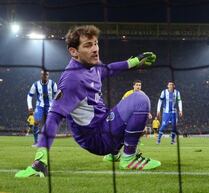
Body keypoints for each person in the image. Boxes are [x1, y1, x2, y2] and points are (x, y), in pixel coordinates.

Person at [15, 25, 160, 178]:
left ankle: (115, 152)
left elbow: (108, 69)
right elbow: (54, 117)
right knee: (140, 99)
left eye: (96, 43)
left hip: (103, 124)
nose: (95, 49)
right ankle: (129, 157)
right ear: (74, 52)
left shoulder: (93, 63)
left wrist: (135, 61)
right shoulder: (72, 79)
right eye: (88, 45)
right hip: (97, 138)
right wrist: (40, 160)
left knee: (118, 107)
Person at [102, 80, 151, 162]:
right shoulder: (128, 94)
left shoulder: (142, 94)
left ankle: (119, 154)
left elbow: (143, 105)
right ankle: (116, 154)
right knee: (122, 136)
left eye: (140, 85)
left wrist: (147, 113)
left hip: (135, 117)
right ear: (133, 86)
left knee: (133, 135)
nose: (138, 86)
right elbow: (122, 104)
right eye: (137, 85)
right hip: (126, 117)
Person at [27, 70, 57, 146]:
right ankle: (36, 141)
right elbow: (29, 96)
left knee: (48, 124)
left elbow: (57, 95)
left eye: (46, 75)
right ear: (41, 75)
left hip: (50, 106)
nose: (45, 76)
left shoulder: (53, 84)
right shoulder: (36, 84)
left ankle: (46, 141)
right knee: (36, 122)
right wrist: (30, 107)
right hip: (39, 106)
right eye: (43, 74)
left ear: (48, 75)